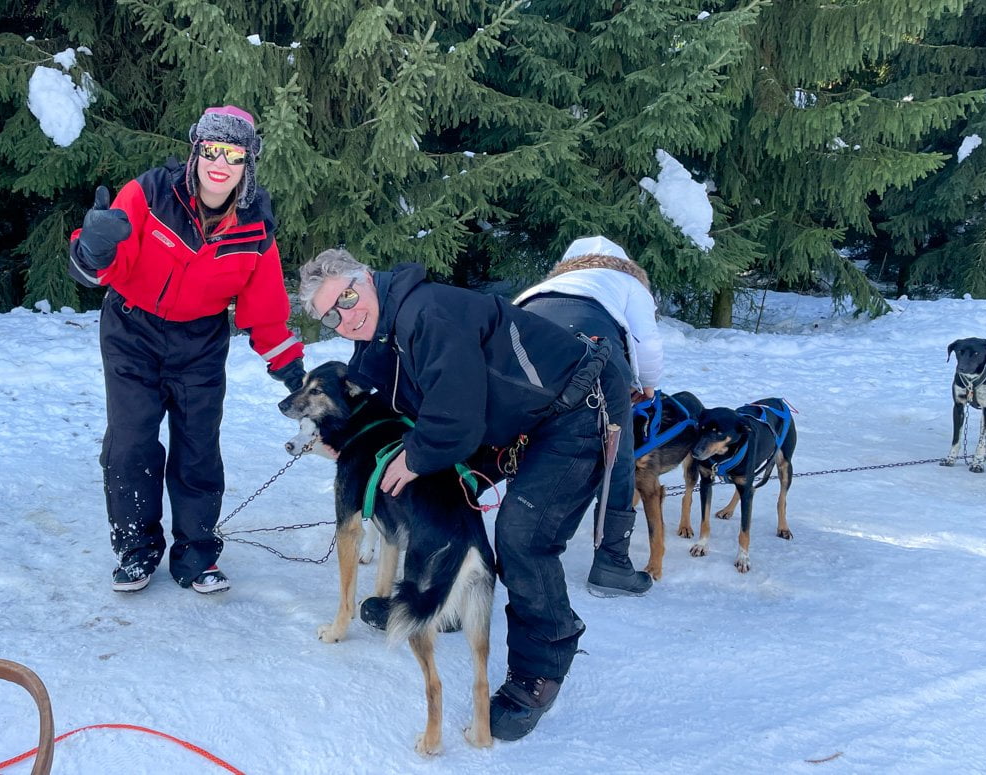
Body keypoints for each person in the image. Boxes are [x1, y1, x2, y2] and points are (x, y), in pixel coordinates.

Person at [297, 248, 621, 741]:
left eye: (347, 297)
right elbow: (378, 399)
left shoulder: (426, 313)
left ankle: (540, 670)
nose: (345, 316)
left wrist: (416, 454)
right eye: (330, 315)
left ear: (367, 278)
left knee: (522, 539)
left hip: (575, 408)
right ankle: (445, 599)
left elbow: (455, 416)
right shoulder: (382, 334)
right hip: (520, 418)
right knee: (444, 505)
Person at [68, 105, 305, 595]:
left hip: (200, 341)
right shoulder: (151, 192)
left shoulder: (257, 224)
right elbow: (105, 264)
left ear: (248, 164)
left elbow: (264, 307)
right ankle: (135, 550)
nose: (221, 163)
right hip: (132, 332)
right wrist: (94, 248)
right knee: (131, 442)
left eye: (234, 154)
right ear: (196, 152)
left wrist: (289, 366)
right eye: (212, 150)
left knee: (198, 447)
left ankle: (197, 555)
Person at [514, 235, 664, 596]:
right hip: (596, 358)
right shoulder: (628, 283)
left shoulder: (543, 287)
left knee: (529, 448)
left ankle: (519, 547)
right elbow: (648, 344)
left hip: (525, 359)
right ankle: (612, 565)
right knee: (618, 458)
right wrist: (648, 385)